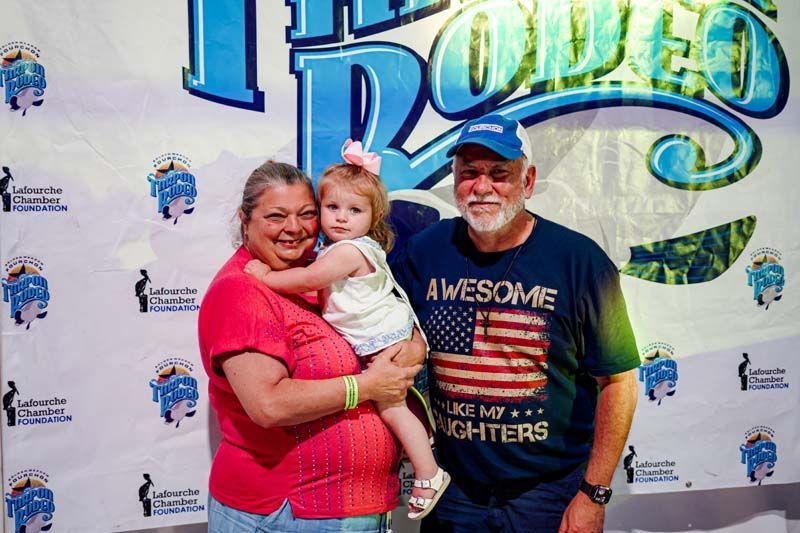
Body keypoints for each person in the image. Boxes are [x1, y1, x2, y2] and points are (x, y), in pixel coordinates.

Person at [391, 113, 640, 533]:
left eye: (499, 174)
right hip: (454, 490)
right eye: (469, 172)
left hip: (548, 494)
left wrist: (593, 495)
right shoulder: (425, 250)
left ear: (527, 182)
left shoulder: (579, 261)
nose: (482, 186)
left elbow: (619, 383)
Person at [198, 160, 425, 532]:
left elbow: (384, 315)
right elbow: (269, 405)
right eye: (275, 216)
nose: (294, 228)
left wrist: (411, 347)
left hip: (346, 508)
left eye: (307, 214)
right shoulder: (242, 291)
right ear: (245, 220)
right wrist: (367, 386)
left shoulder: (324, 272)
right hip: (285, 513)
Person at [243, 140, 450, 520]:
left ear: (373, 216)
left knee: (393, 409)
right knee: (395, 408)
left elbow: (309, 277)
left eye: (354, 210)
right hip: (384, 337)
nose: (340, 217)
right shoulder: (337, 248)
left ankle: (428, 472)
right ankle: (426, 463)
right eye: (331, 207)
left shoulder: (349, 251)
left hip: (383, 340)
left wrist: (266, 276)